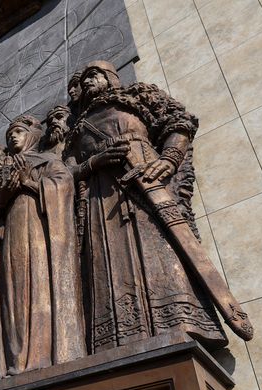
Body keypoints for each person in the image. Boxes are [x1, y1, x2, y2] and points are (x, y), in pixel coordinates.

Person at [68, 60, 229, 353]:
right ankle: (117, 336)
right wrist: (93, 163)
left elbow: (178, 122)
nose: (87, 82)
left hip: (146, 183)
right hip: (99, 199)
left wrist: (169, 158)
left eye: (94, 75)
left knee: (160, 247)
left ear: (110, 77)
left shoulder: (138, 95)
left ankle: (181, 319)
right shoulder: (78, 128)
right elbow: (67, 171)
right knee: (108, 262)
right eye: (84, 79)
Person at [0, 113, 85, 376]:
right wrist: (4, 197)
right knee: (14, 291)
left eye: (18, 132)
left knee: (39, 285)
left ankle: (42, 356)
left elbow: (64, 186)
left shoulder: (48, 160)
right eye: (9, 135)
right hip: (13, 235)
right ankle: (16, 359)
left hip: (40, 233)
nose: (13, 137)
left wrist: (28, 183)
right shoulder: (5, 172)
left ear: (31, 136)